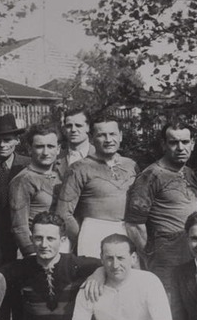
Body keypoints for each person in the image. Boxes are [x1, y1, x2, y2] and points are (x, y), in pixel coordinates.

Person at [126, 121, 197, 274]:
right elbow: (134, 224)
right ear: (164, 145)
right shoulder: (151, 175)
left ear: (193, 144)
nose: (180, 148)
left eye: (185, 142)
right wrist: (149, 257)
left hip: (192, 246)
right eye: (174, 143)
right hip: (166, 252)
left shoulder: (189, 172)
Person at [56, 110, 138, 258]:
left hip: (127, 233)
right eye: (101, 135)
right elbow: (63, 213)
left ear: (120, 135)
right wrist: (82, 236)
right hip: (93, 235)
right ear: (92, 138)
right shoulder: (79, 168)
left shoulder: (131, 165)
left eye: (112, 134)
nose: (108, 140)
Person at [8, 122, 64, 259]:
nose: (45, 152)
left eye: (50, 146)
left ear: (58, 149)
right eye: (39, 147)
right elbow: (19, 227)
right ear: (29, 149)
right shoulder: (23, 180)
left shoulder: (61, 175)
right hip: (37, 250)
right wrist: (33, 256)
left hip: (61, 246)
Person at [0, 113, 29, 264]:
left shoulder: (27, 166)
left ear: (17, 140)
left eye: (7, 140)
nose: (2, 145)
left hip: (22, 233)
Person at [55, 108, 93, 175]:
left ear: (88, 127)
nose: (73, 130)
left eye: (78, 125)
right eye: (69, 126)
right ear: (64, 129)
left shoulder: (101, 156)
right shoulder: (56, 159)